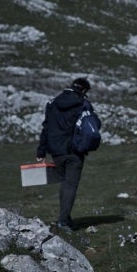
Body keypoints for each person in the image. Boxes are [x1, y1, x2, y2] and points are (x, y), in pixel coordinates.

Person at [36, 77, 98, 231]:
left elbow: (46, 128)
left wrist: (41, 151)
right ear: (83, 90)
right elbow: (94, 125)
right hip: (74, 151)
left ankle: (66, 217)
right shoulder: (83, 104)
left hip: (56, 151)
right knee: (70, 185)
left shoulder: (52, 103)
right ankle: (63, 221)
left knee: (64, 184)